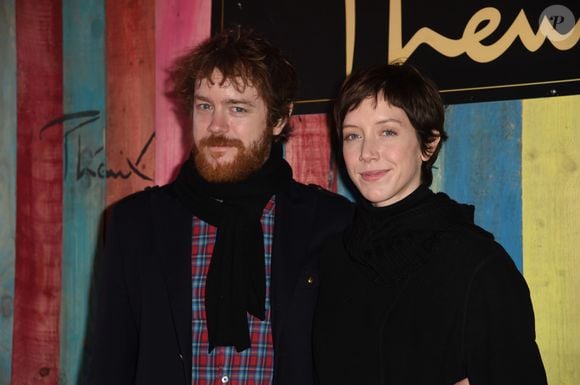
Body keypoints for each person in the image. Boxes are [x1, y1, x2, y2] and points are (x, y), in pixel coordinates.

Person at [90, 27, 352, 385]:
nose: (217, 125)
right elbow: (108, 368)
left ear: (278, 119)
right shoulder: (134, 225)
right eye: (205, 106)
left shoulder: (331, 223)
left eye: (238, 108)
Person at [313, 63, 547, 385]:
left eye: (388, 132)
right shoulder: (332, 259)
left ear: (429, 143)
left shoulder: (478, 264)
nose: (367, 152)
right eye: (353, 135)